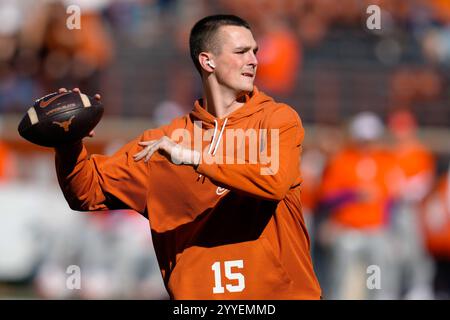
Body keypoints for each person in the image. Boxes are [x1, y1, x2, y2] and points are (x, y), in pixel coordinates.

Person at [54, 14, 321, 299]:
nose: (255, 60)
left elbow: (273, 182)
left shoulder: (277, 120)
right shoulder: (163, 143)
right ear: (208, 62)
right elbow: (87, 192)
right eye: (241, 52)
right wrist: (68, 142)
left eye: (255, 51)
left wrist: (195, 158)